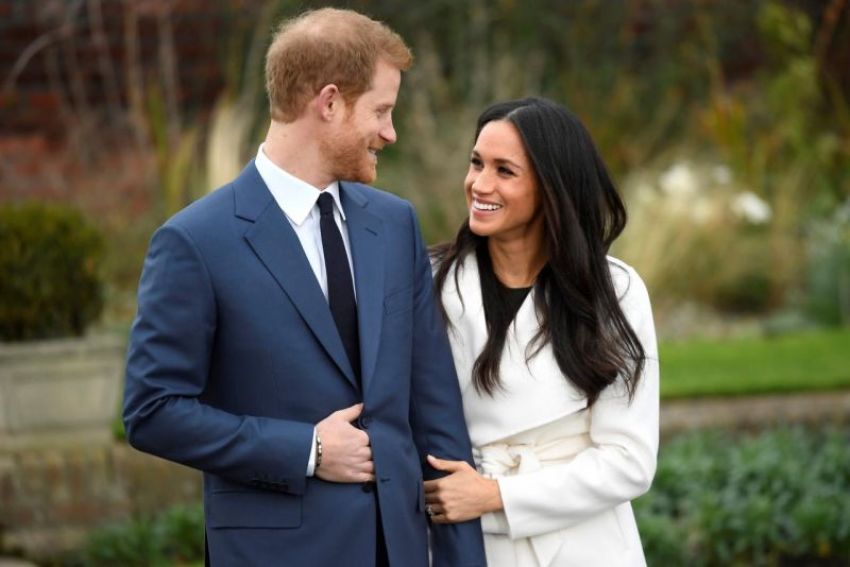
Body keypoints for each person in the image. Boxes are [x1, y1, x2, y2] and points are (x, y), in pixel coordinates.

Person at [122, 8, 485, 567]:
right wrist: (307, 451)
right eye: (381, 111)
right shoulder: (195, 242)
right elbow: (153, 411)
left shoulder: (394, 225)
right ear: (330, 102)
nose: (390, 132)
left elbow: (435, 411)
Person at [424, 97, 659, 567]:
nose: (479, 184)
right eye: (476, 163)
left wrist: (495, 496)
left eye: (504, 171)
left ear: (552, 187)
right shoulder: (431, 282)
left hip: (587, 546)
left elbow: (629, 462)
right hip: (467, 546)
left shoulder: (615, 291)